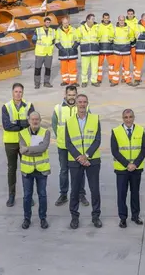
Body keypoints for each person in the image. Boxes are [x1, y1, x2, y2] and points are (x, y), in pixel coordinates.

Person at [65, 94, 103, 229]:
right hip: (75, 162)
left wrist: (86, 156)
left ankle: (96, 216)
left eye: (84, 102)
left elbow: (97, 139)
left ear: (87, 104)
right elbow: (68, 143)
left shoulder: (94, 119)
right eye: (79, 102)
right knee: (74, 190)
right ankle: (74, 217)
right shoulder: (69, 121)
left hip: (92, 160)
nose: (82, 104)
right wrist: (80, 158)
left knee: (94, 190)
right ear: (76, 104)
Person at [52, 85, 89, 207]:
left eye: (74, 95)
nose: (72, 97)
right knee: (64, 170)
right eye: (69, 95)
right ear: (65, 95)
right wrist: (61, 137)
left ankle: (81, 194)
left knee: (80, 171)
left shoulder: (84, 107)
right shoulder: (58, 109)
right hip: (63, 146)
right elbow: (54, 125)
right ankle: (63, 194)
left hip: (78, 146)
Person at [111, 109, 145, 228]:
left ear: (134, 117)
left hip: (136, 169)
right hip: (122, 169)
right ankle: (123, 218)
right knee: (122, 194)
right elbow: (115, 151)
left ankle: (135, 216)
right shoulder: (116, 131)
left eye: (130, 117)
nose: (128, 119)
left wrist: (135, 164)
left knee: (135, 193)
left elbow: (143, 150)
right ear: (123, 118)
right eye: (126, 117)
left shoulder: (141, 130)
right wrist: (127, 164)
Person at [2, 83, 35, 207]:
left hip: (24, 143)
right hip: (10, 142)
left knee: (27, 169)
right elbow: (7, 126)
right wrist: (22, 123)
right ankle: (11, 196)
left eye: (20, 92)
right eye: (16, 91)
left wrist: (16, 123)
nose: (18, 94)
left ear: (23, 93)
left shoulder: (29, 106)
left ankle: (28, 195)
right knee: (12, 169)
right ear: (12, 92)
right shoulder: (6, 107)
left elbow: (32, 122)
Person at [19, 111, 51, 229]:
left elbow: (43, 148)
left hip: (41, 170)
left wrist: (28, 149)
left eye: (37, 119)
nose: (35, 121)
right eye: (32, 119)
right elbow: (22, 149)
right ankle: (27, 218)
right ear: (28, 121)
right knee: (27, 196)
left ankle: (43, 218)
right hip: (27, 170)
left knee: (42, 195)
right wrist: (35, 149)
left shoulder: (45, 132)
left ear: (40, 120)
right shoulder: (22, 133)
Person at [77, 14, 100, 88]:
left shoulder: (97, 27)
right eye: (92, 19)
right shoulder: (81, 28)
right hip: (85, 51)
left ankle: (94, 81)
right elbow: (77, 38)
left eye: (94, 19)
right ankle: (84, 81)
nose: (93, 20)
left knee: (95, 67)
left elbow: (99, 37)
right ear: (87, 19)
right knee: (84, 67)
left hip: (95, 51)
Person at [111, 15, 135, 86]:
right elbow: (111, 38)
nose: (121, 21)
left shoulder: (128, 29)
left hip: (126, 51)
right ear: (118, 20)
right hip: (117, 51)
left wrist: (127, 43)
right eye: (120, 20)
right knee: (116, 66)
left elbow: (132, 38)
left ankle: (128, 80)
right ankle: (115, 81)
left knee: (126, 66)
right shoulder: (114, 29)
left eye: (123, 20)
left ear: (124, 20)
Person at [32, 17, 55, 89]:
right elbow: (33, 40)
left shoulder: (53, 31)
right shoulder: (38, 30)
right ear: (44, 22)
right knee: (37, 69)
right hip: (40, 53)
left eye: (49, 22)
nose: (48, 23)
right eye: (47, 22)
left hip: (49, 53)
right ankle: (37, 83)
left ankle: (46, 82)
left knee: (48, 69)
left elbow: (54, 40)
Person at [55, 16, 79, 86]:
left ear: (69, 22)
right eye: (64, 23)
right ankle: (65, 81)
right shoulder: (58, 31)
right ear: (62, 23)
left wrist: (73, 48)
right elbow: (57, 41)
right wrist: (62, 49)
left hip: (72, 52)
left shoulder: (74, 30)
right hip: (63, 52)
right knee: (64, 68)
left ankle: (73, 81)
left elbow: (77, 40)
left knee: (73, 68)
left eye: (67, 23)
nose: (66, 24)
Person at [96, 13, 114, 85]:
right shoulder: (98, 26)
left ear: (109, 18)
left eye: (107, 18)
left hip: (110, 48)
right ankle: (99, 79)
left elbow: (114, 36)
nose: (106, 19)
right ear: (102, 18)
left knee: (111, 64)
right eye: (105, 18)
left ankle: (111, 78)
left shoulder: (112, 26)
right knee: (99, 65)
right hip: (101, 48)